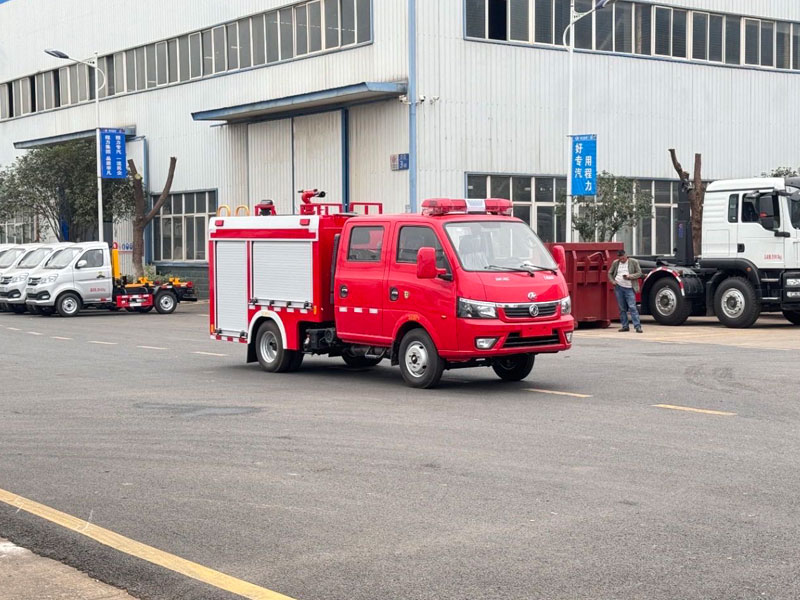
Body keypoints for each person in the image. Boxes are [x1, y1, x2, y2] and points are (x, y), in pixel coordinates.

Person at [608, 249, 643, 333]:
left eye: (623, 258)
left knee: (632, 307)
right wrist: (613, 281)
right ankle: (625, 326)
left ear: (626, 256)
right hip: (619, 287)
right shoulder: (615, 263)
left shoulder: (634, 262)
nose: (622, 260)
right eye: (620, 258)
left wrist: (629, 276)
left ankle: (637, 326)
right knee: (622, 308)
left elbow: (639, 273)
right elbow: (610, 273)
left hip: (629, 287)